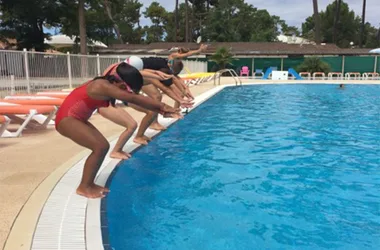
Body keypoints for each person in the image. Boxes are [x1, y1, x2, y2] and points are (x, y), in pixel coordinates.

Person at [55, 62, 180, 198]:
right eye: (123, 88)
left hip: (77, 118)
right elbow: (133, 98)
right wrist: (163, 106)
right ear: (118, 81)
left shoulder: (107, 83)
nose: (124, 92)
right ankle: (84, 187)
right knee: (100, 147)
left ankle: (88, 184)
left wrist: (161, 110)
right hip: (67, 119)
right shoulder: (101, 85)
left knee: (102, 146)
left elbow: (137, 90)